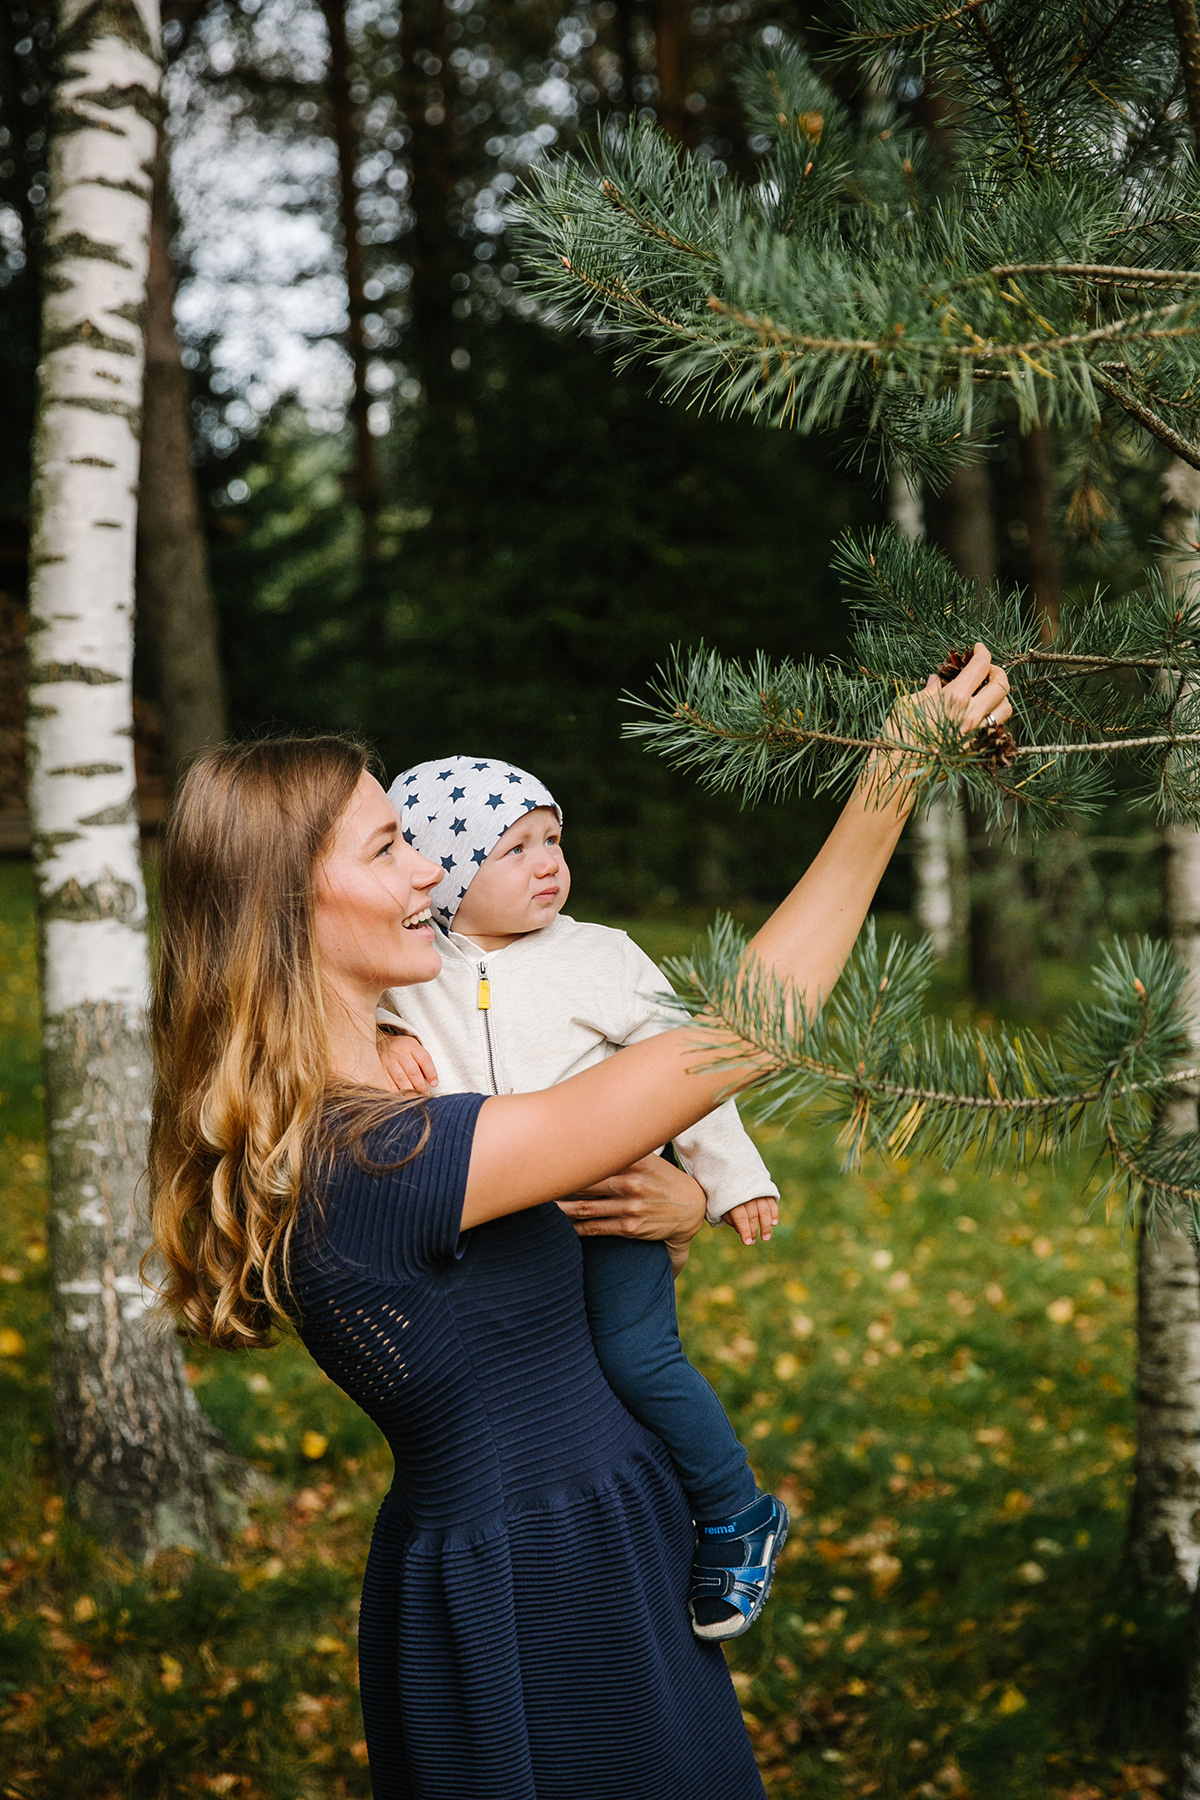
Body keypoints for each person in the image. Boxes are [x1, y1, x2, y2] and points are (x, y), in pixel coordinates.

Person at [145, 644, 1010, 1800]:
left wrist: (683, 1201)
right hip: (537, 1582)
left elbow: (524, 1292)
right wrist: (892, 774)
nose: (426, 867)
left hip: (593, 1531)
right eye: (389, 845)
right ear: (293, 899)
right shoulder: (373, 1157)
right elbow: (735, 1037)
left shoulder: (414, 1101)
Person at [375, 753, 786, 1642]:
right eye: (513, 849)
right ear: (440, 870)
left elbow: (693, 1071)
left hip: (610, 1213)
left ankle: (735, 1511)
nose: (548, 863)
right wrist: (376, 1033)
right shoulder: (409, 970)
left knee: (639, 1361)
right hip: (495, 1229)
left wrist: (730, 1178)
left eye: (553, 839)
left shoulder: (604, 956)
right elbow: (328, 1006)